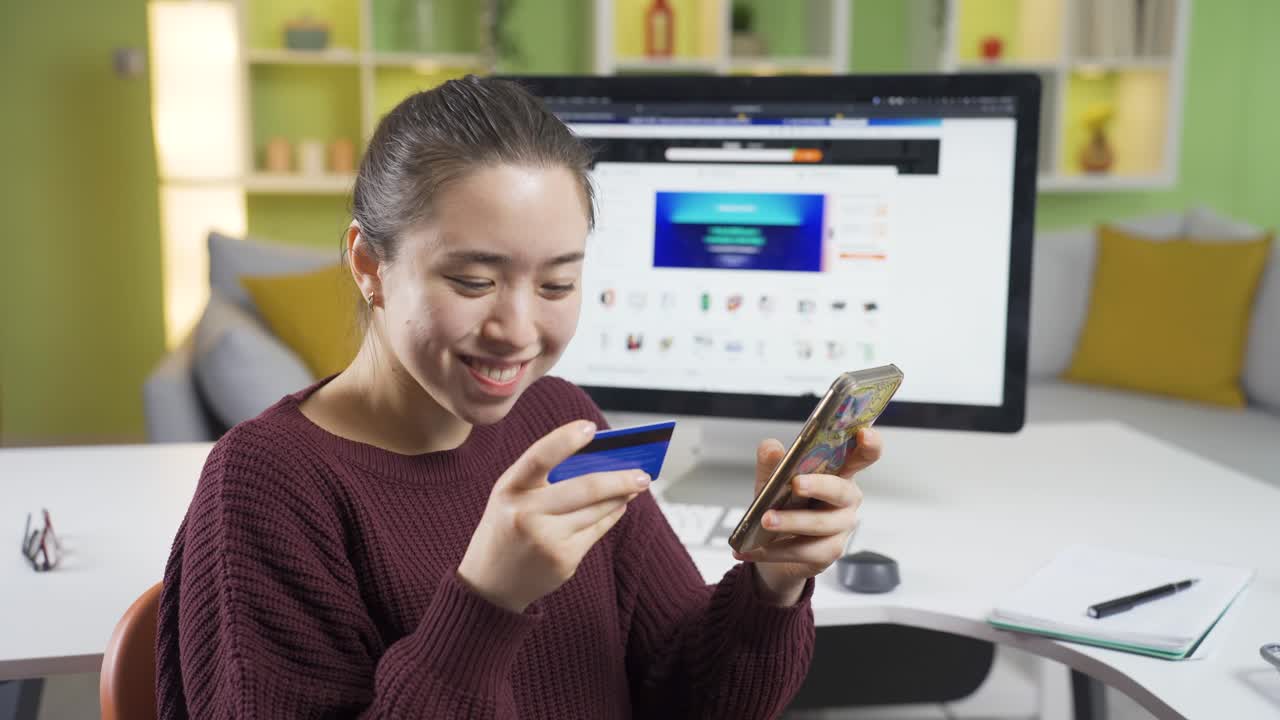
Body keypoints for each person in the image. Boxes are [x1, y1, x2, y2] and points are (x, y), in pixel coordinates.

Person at [155, 75, 881, 719]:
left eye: (557, 284)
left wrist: (773, 582)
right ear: (369, 265)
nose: (518, 331)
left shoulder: (561, 418)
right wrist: (486, 602)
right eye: (473, 281)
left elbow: (693, 694)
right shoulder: (268, 484)